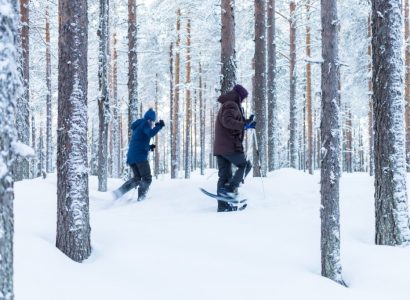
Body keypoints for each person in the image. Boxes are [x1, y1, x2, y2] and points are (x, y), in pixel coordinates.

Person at [213, 84, 255, 212]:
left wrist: (247, 122)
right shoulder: (231, 104)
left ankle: (223, 206)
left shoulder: (228, 104)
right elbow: (228, 122)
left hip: (221, 147)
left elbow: (233, 120)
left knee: (224, 176)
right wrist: (245, 126)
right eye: (243, 98)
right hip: (229, 145)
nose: (243, 100)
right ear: (239, 96)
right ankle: (230, 190)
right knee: (245, 165)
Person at [112, 108, 165, 201]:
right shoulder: (145, 124)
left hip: (132, 157)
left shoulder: (139, 125)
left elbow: (139, 142)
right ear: (149, 120)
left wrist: (149, 147)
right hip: (139, 157)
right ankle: (141, 198)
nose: (152, 124)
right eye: (152, 121)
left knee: (137, 178)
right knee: (147, 178)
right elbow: (150, 133)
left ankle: (119, 192)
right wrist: (159, 126)